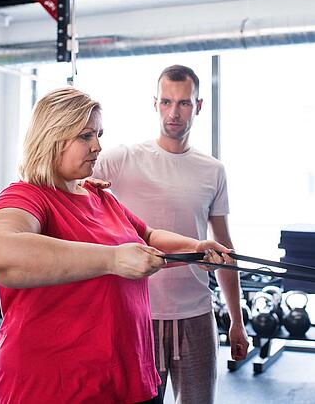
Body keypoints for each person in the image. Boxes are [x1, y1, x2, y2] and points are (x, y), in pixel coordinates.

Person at [0, 87, 232, 404]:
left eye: (98, 134)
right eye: (86, 136)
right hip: (58, 386)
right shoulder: (27, 197)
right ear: (52, 138)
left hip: (128, 377)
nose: (98, 146)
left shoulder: (99, 196)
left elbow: (148, 237)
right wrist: (112, 260)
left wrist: (197, 249)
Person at [94, 64, 249, 404]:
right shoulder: (121, 159)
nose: (173, 112)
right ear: (155, 104)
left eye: (183, 103)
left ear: (198, 106)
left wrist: (237, 320)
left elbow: (223, 248)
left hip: (195, 312)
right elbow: (72, 180)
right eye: (166, 102)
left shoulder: (213, 170)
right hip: (138, 313)